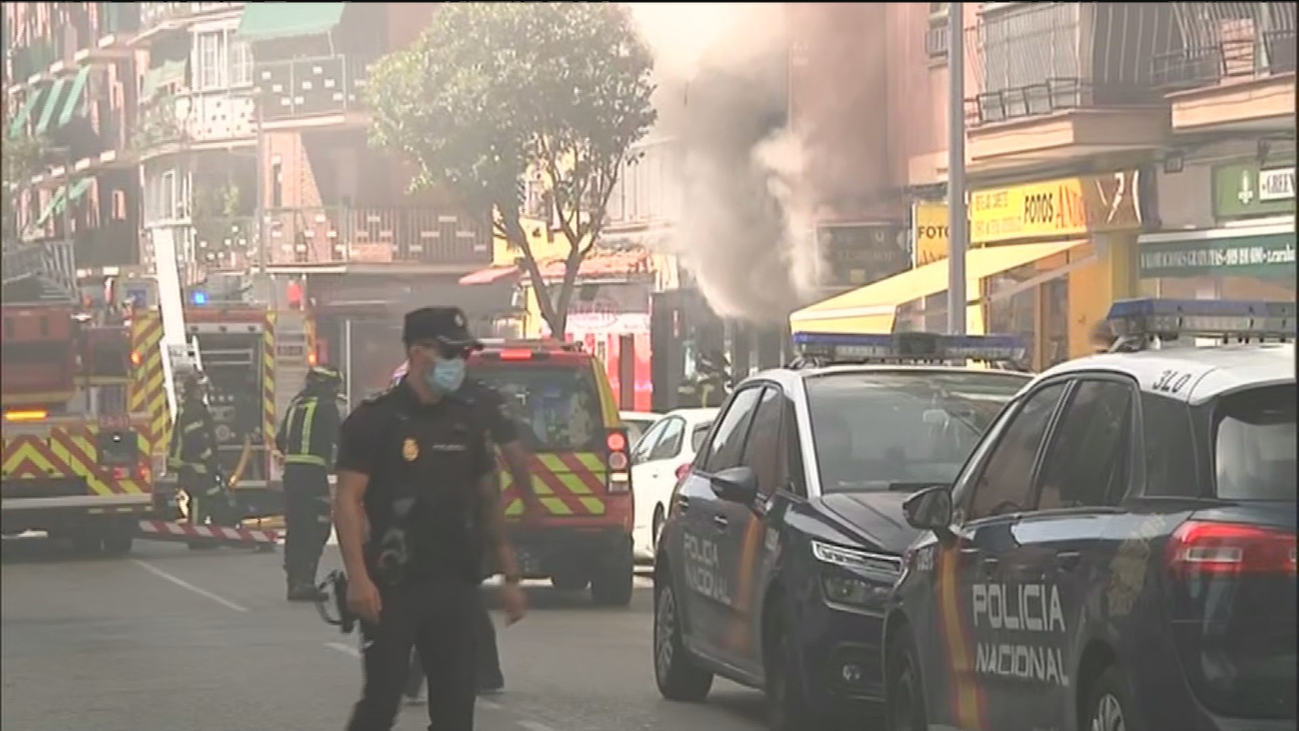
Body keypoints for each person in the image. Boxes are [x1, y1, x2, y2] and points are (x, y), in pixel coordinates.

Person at [335, 306, 528, 731]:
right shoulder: (375, 420)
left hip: (455, 584)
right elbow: (347, 500)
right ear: (417, 353)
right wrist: (357, 578)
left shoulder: (468, 418)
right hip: (393, 587)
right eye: (449, 353)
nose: (458, 363)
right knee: (382, 701)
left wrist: (510, 576)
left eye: (463, 354)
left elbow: (488, 500)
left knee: (456, 711)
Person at [403, 372, 539, 702]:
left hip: (462, 511)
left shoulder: (469, 399)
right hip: (441, 510)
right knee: (458, 589)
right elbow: (514, 456)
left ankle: (415, 672)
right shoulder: (478, 398)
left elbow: (513, 455)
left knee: (445, 587)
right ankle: (484, 670)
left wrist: (530, 502)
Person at [275, 364, 344, 601]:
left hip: (291, 474)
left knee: (296, 527)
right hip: (312, 475)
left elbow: (280, 441)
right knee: (317, 526)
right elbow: (341, 440)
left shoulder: (296, 405)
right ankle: (305, 581)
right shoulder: (327, 407)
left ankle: (295, 581)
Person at [168, 371, 229, 532]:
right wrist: (211, 461)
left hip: (197, 467)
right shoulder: (193, 410)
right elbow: (196, 441)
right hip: (193, 466)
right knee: (198, 502)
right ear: (194, 389)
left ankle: (211, 532)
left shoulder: (192, 408)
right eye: (202, 388)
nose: (204, 392)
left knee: (211, 496)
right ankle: (196, 536)